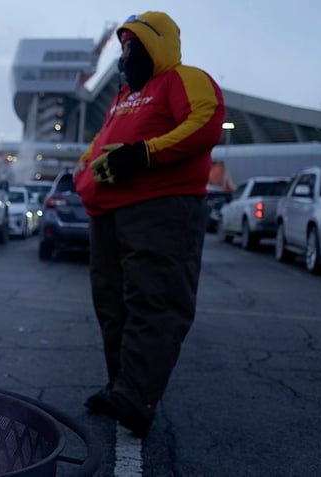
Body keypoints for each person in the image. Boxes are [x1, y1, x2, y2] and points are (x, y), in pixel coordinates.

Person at [73, 11, 225, 437]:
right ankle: (119, 386)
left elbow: (205, 123)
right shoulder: (123, 96)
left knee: (154, 301)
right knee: (112, 304)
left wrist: (142, 154)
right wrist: (83, 175)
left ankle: (137, 397)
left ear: (155, 43)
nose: (125, 55)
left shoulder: (184, 78)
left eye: (132, 45)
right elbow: (96, 147)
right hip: (108, 213)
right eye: (122, 47)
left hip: (162, 208)